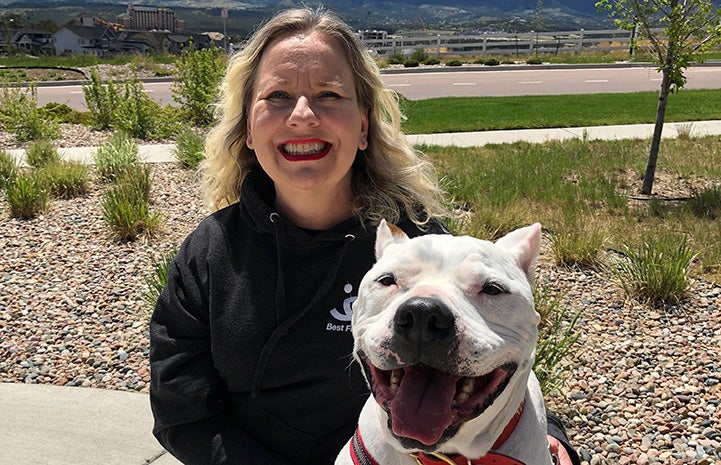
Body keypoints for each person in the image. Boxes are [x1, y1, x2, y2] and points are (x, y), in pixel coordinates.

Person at [149, 7, 580, 465]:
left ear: (363, 126)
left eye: (329, 94)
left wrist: (546, 432)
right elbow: (182, 413)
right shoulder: (211, 253)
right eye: (276, 95)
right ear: (248, 130)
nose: (301, 115)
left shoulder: (416, 245)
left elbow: (492, 338)